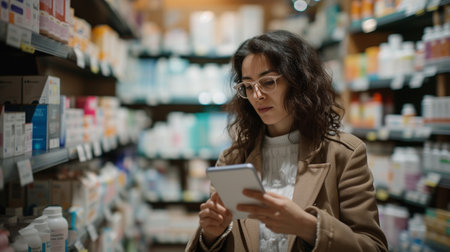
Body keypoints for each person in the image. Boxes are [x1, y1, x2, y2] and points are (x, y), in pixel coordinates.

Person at [185, 30, 388, 252]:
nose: (257, 95)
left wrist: (309, 227)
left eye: (268, 82)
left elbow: (374, 247)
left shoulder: (344, 154)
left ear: (298, 81)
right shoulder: (232, 159)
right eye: (248, 86)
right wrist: (211, 235)